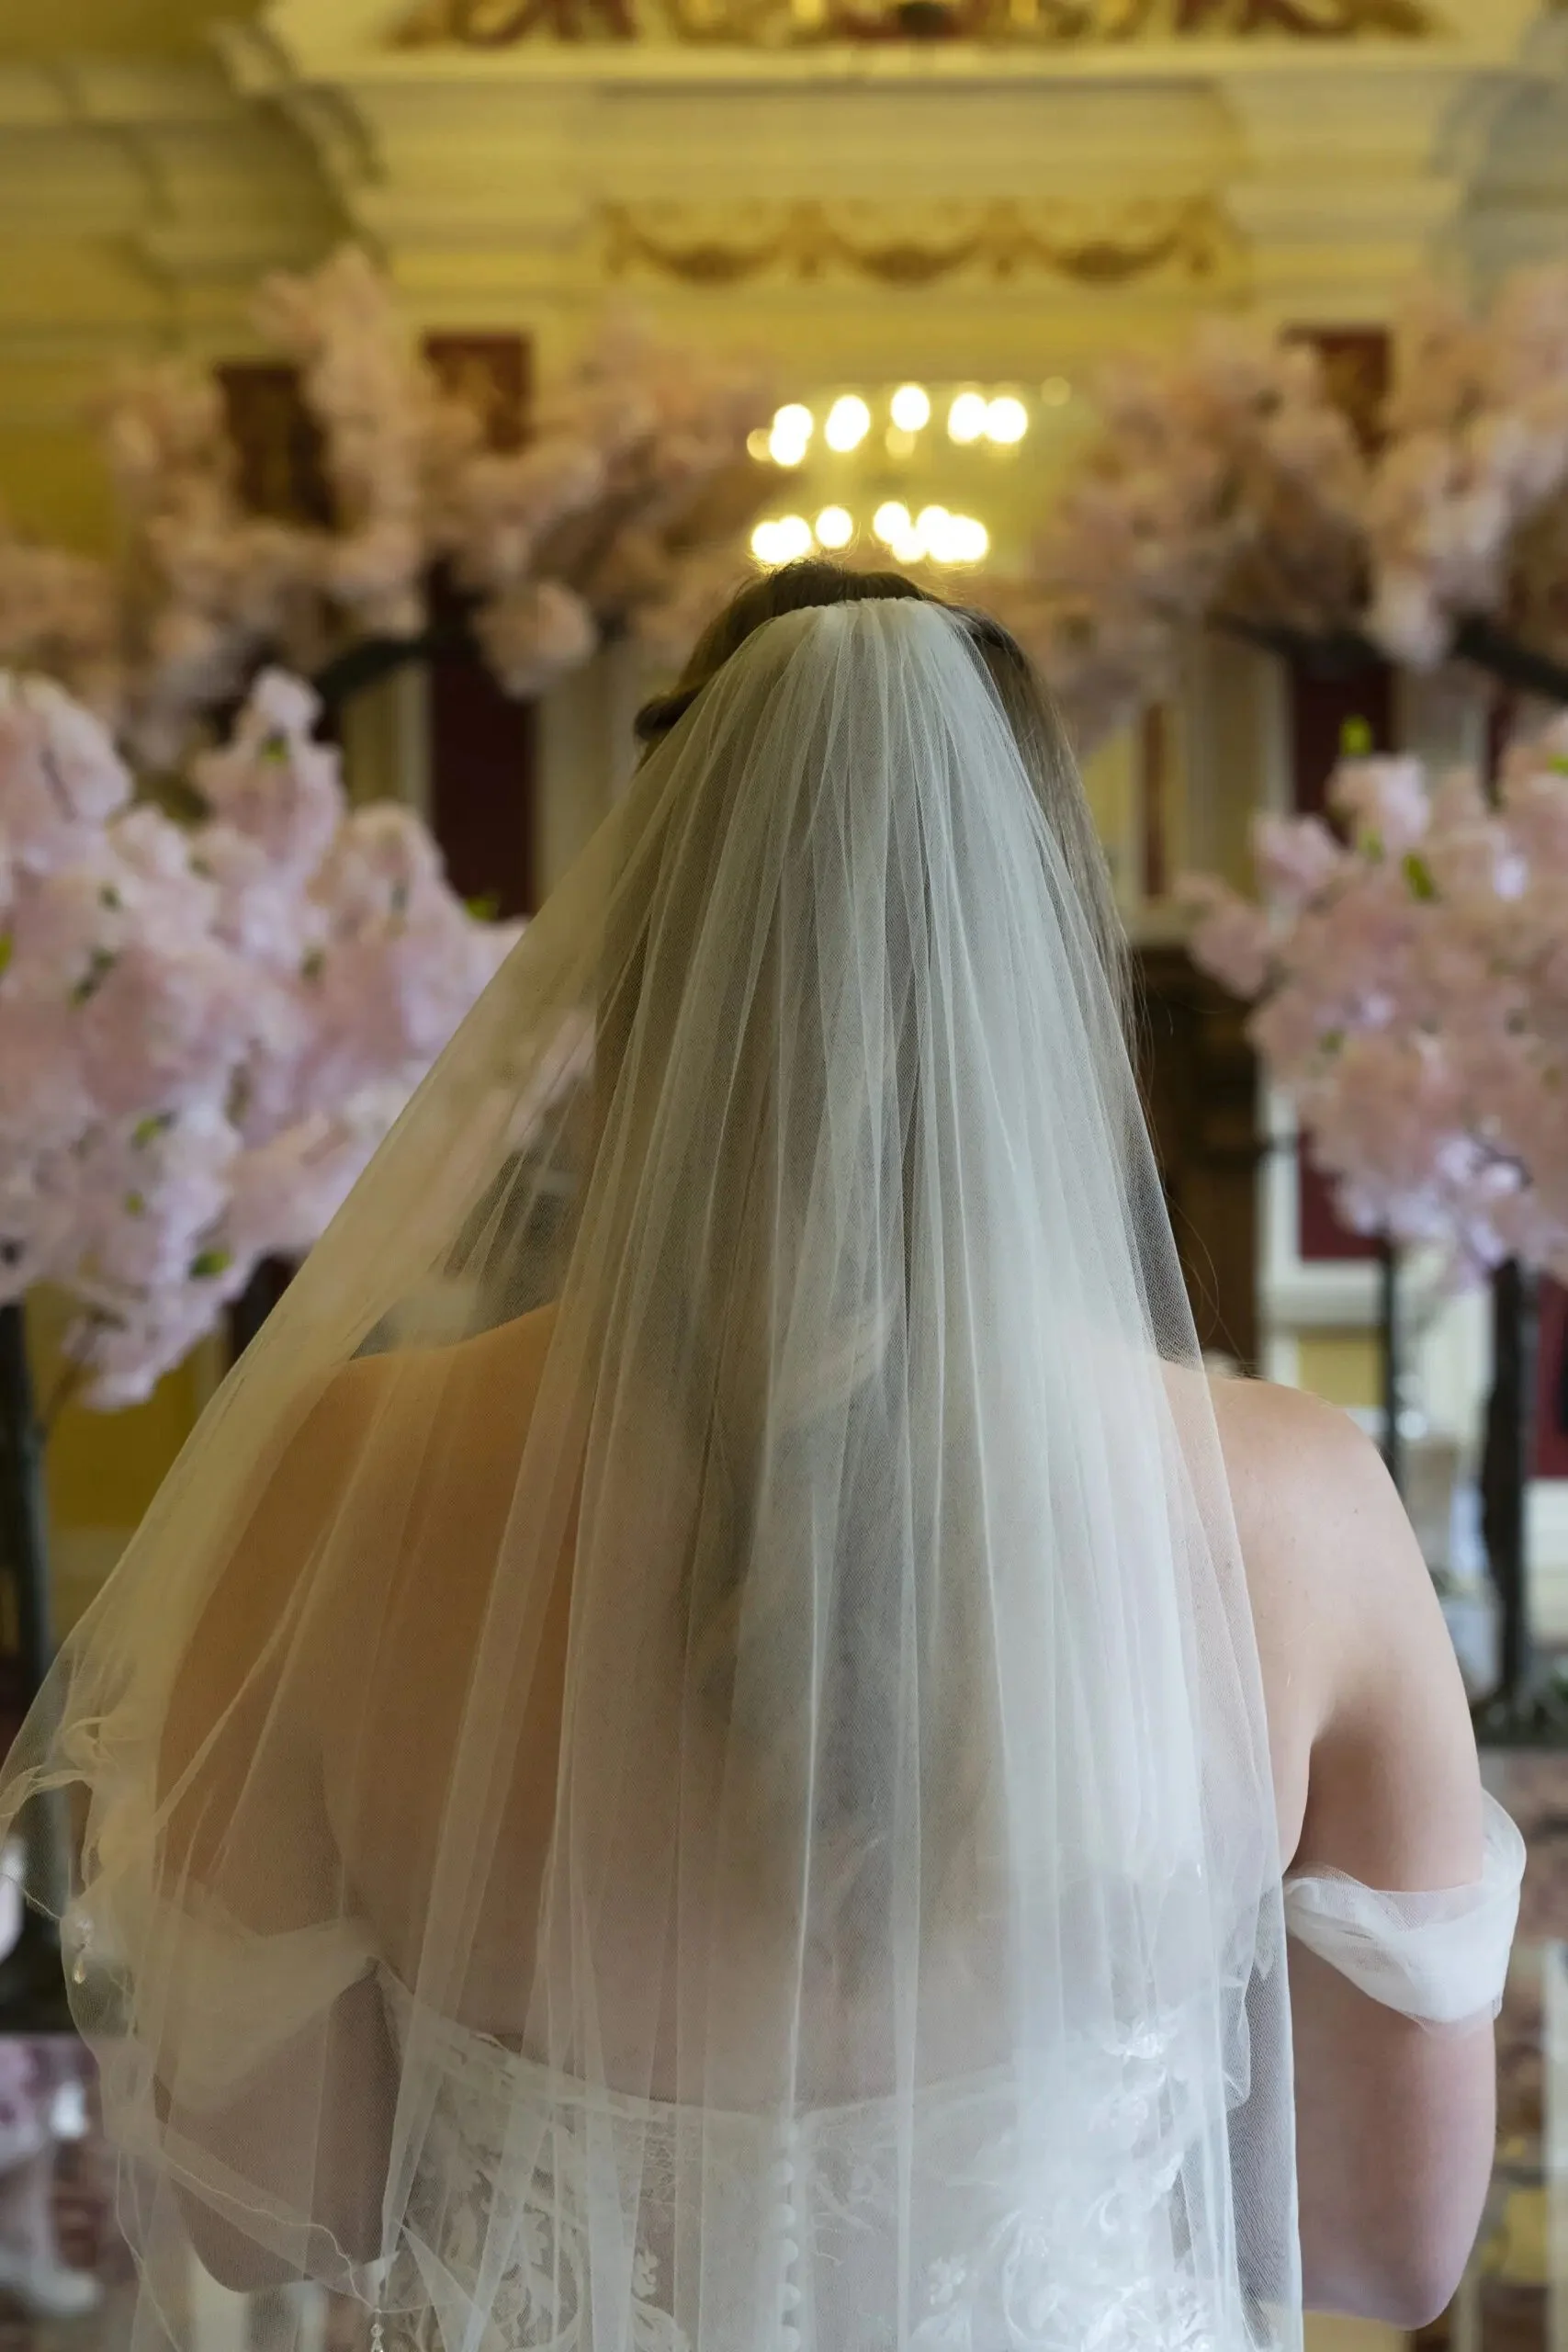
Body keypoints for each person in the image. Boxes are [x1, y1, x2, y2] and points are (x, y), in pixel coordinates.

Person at [0, 562, 1524, 2352]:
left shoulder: (342, 1476)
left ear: (638, 971)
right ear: (1043, 970)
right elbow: (1377, 2241)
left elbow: (273, 2201)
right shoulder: (1299, 1507)